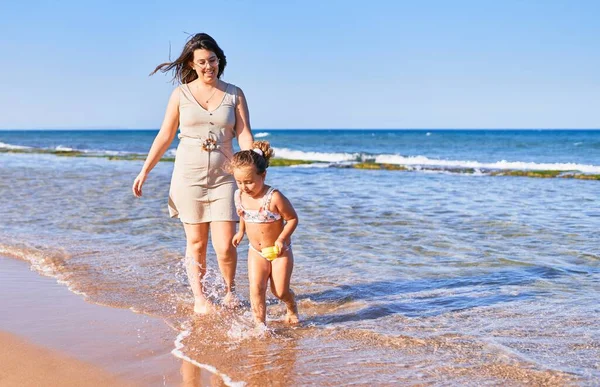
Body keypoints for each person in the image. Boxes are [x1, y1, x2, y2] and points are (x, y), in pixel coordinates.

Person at [132, 33, 254, 314]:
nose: (208, 66)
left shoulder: (234, 93)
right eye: (202, 62)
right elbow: (165, 135)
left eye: (212, 60)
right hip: (188, 176)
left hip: (225, 176)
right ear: (191, 63)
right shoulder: (180, 94)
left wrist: (252, 165)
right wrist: (145, 171)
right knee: (196, 242)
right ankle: (200, 299)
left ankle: (229, 292)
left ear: (219, 60)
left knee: (225, 245)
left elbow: (244, 133)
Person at [229, 141, 300, 325]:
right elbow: (244, 214)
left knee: (280, 291)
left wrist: (282, 239)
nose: (244, 187)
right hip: (256, 252)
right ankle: (260, 326)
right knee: (256, 289)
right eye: (239, 182)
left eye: (249, 182)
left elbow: (292, 219)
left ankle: (291, 306)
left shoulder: (273, 197)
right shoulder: (239, 195)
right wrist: (240, 232)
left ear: (263, 175)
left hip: (279, 252)